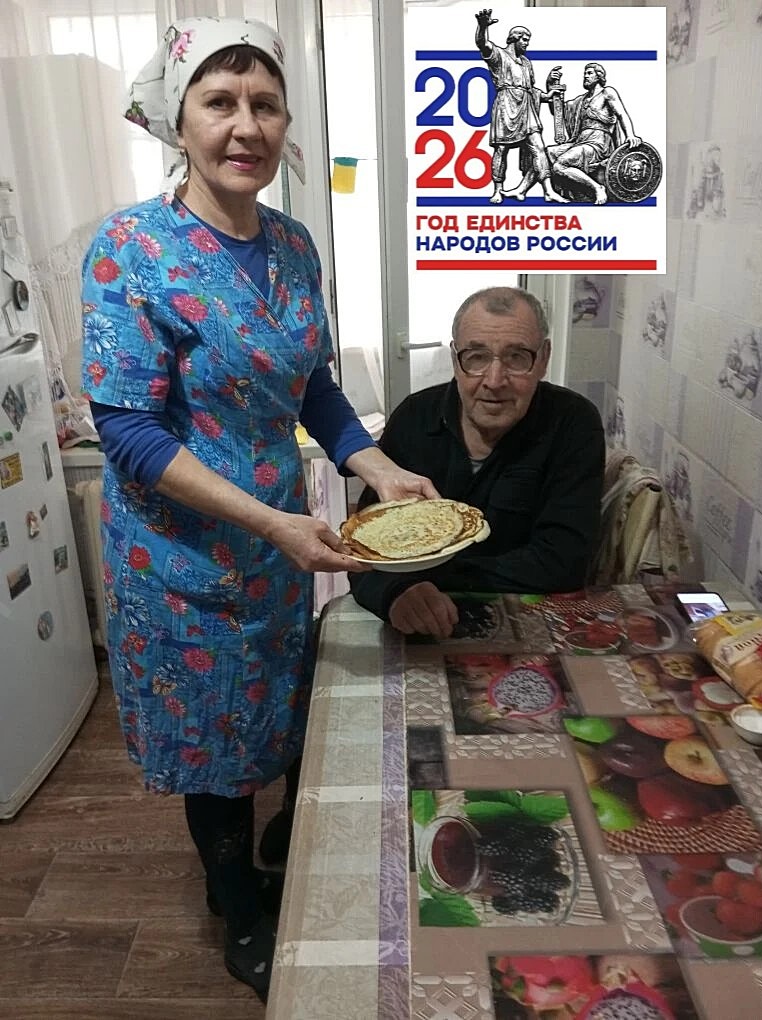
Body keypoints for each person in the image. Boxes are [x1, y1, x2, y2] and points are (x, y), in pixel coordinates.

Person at [81, 17, 437, 1000]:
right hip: (181, 559)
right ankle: (237, 905)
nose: (246, 126)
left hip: (282, 544)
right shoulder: (132, 248)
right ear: (179, 120)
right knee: (213, 746)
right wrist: (272, 521)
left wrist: (377, 465)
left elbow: (311, 384)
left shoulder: (291, 245)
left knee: (275, 712)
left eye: (266, 105)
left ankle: (270, 859)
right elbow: (127, 428)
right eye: (220, 102)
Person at [349, 287, 605, 639]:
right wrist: (394, 594)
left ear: (544, 358)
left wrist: (426, 573)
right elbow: (362, 553)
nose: (494, 381)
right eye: (476, 357)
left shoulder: (573, 423)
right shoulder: (413, 418)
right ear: (455, 360)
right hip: (417, 632)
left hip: (533, 631)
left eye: (517, 357)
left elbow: (563, 564)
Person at [512, 63, 642, 206]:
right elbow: (558, 111)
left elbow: (621, 114)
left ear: (599, 76)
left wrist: (630, 135)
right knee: (545, 153)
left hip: (598, 143)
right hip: (580, 141)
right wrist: (550, 85)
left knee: (560, 166)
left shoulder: (607, 92)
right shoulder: (581, 100)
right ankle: (521, 190)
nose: (585, 76)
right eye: (585, 73)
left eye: (589, 73)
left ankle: (597, 188)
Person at [474, 10, 566, 204]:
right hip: (506, 106)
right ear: (514, 38)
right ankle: (498, 189)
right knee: (501, 149)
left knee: (539, 148)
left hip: (527, 109)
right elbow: (482, 44)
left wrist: (547, 95)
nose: (526, 43)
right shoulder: (499, 55)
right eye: (524, 39)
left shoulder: (526, 63)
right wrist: (482, 26)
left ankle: (548, 190)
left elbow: (531, 90)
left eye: (528, 40)